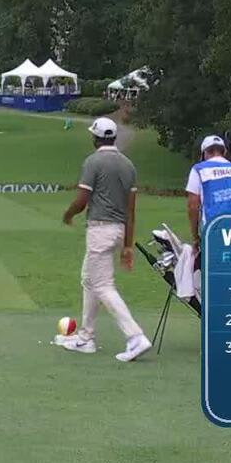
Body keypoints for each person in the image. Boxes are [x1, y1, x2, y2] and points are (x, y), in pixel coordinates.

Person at [55, 117, 151, 362]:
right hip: (118, 229)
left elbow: (82, 199)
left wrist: (68, 214)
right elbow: (131, 211)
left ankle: (135, 337)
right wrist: (128, 245)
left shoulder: (93, 161)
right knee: (89, 279)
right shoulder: (128, 165)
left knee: (103, 286)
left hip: (100, 228)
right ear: (114, 137)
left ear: (95, 138)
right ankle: (86, 337)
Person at [187, 134, 231, 245]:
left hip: (215, 231)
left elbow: (193, 206)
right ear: (224, 152)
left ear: (204, 153)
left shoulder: (199, 169)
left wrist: (195, 236)